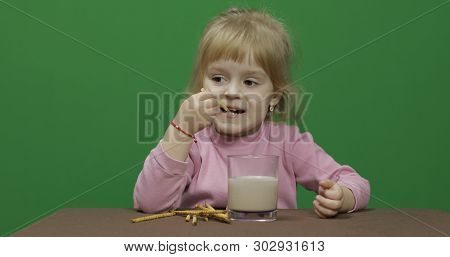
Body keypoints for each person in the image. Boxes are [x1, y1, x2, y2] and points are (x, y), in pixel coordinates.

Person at [133, 7, 370, 218]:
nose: (232, 91)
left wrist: (342, 197)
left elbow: (354, 181)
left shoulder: (289, 143)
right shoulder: (193, 143)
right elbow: (149, 203)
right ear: (201, 88)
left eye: (250, 82)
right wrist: (180, 130)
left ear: (273, 98)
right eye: (218, 78)